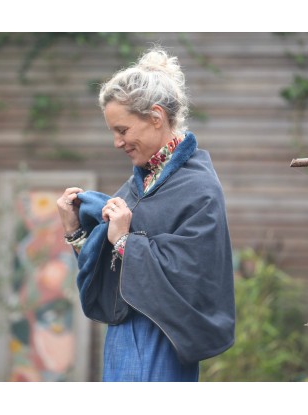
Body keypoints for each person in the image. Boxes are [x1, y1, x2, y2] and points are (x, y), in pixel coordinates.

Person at [57, 46, 235, 382]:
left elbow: (195, 275)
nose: (116, 142)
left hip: (165, 342)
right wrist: (77, 232)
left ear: (156, 117)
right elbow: (110, 268)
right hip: (121, 342)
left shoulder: (198, 188)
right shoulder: (135, 189)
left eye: (122, 130)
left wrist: (125, 239)